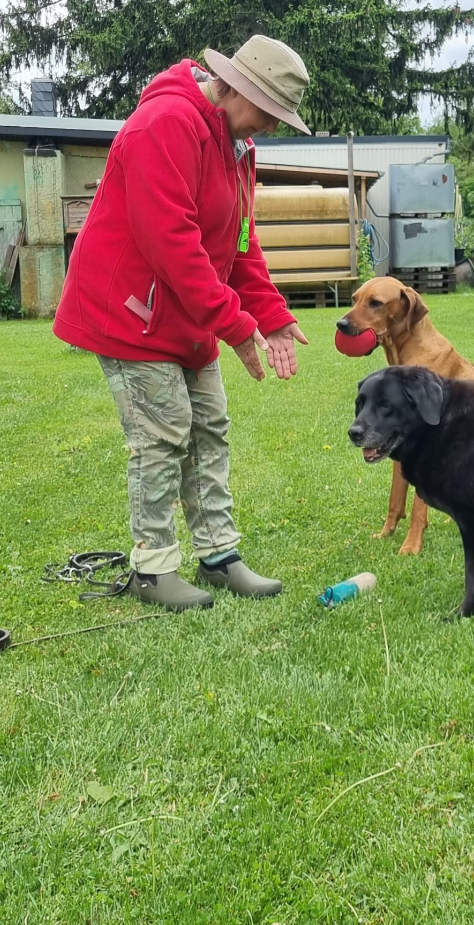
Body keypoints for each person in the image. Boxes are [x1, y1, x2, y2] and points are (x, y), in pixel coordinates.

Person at [53, 36, 311, 610]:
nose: (270, 126)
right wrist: (235, 325)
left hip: (184, 314)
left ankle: (219, 555)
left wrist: (268, 315)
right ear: (237, 89)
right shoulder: (164, 124)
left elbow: (240, 243)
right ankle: (153, 570)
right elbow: (172, 243)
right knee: (163, 433)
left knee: (209, 427)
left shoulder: (236, 145)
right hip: (129, 313)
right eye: (269, 112)